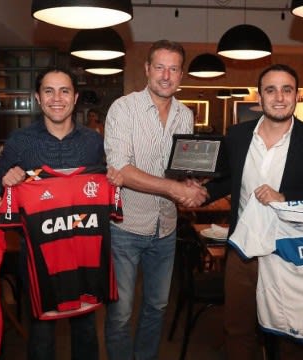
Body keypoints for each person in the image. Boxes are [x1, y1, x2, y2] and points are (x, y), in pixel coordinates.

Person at [204, 64, 303, 360]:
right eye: (271, 90)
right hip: (243, 252)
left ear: (296, 95)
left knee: (291, 337)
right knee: (238, 331)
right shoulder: (237, 136)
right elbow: (229, 180)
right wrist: (199, 192)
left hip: (291, 255)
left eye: (286, 89)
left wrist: (286, 198)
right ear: (260, 96)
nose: (279, 97)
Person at [0, 66, 105, 360]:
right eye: (49, 91)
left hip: (83, 254)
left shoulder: (93, 142)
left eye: (64, 91)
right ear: (38, 99)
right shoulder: (20, 141)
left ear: (75, 97)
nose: (57, 98)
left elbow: (100, 185)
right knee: (41, 336)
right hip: (37, 257)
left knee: (86, 331)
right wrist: (6, 182)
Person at [103, 39, 208, 360]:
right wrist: (175, 190)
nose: (166, 75)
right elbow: (120, 169)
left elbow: (178, 170)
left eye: (173, 68)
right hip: (126, 227)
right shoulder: (123, 109)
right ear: (147, 69)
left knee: (157, 306)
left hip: (165, 228)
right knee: (121, 312)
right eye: (159, 67)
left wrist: (192, 184)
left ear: (181, 74)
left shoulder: (186, 115)